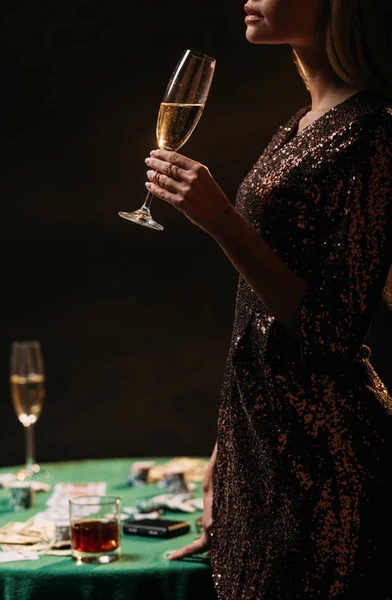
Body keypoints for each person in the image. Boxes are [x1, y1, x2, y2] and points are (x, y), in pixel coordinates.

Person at [145, 1, 392, 597]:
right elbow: (258, 320)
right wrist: (223, 455)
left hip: (321, 468)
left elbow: (329, 333)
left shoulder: (376, 130)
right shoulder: (299, 124)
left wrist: (223, 221)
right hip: (264, 455)